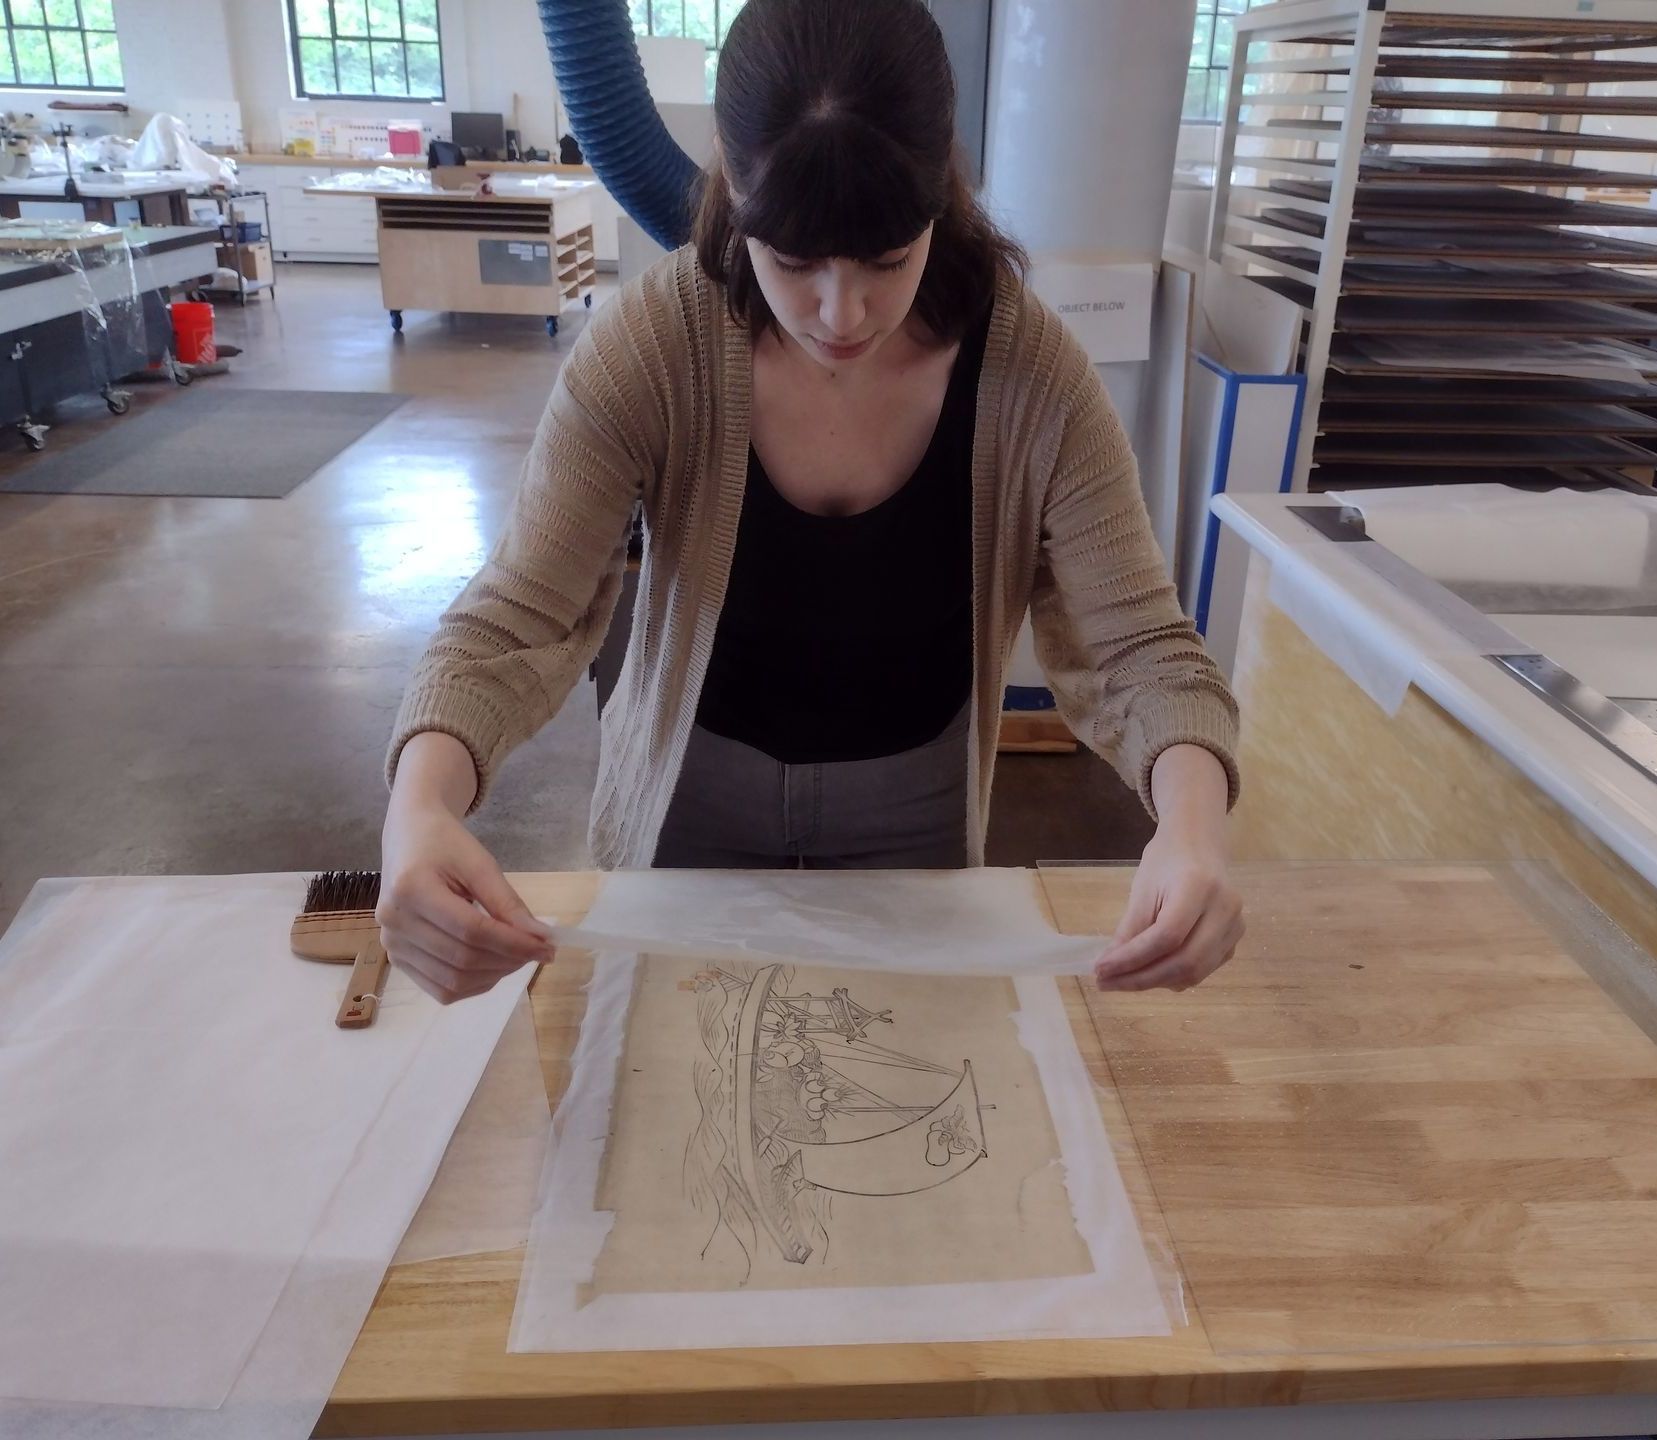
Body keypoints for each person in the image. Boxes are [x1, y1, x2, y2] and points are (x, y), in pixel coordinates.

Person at [377, 0, 1243, 1006]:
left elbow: (1141, 647)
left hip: (914, 805)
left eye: (887, 261)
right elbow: (514, 616)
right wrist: (419, 809)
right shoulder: (652, 350)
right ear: (730, 181)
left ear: (940, 188)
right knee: (667, 1084)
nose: (841, 314)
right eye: (792, 263)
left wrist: (1190, 826)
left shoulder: (1029, 371)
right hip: (687, 793)